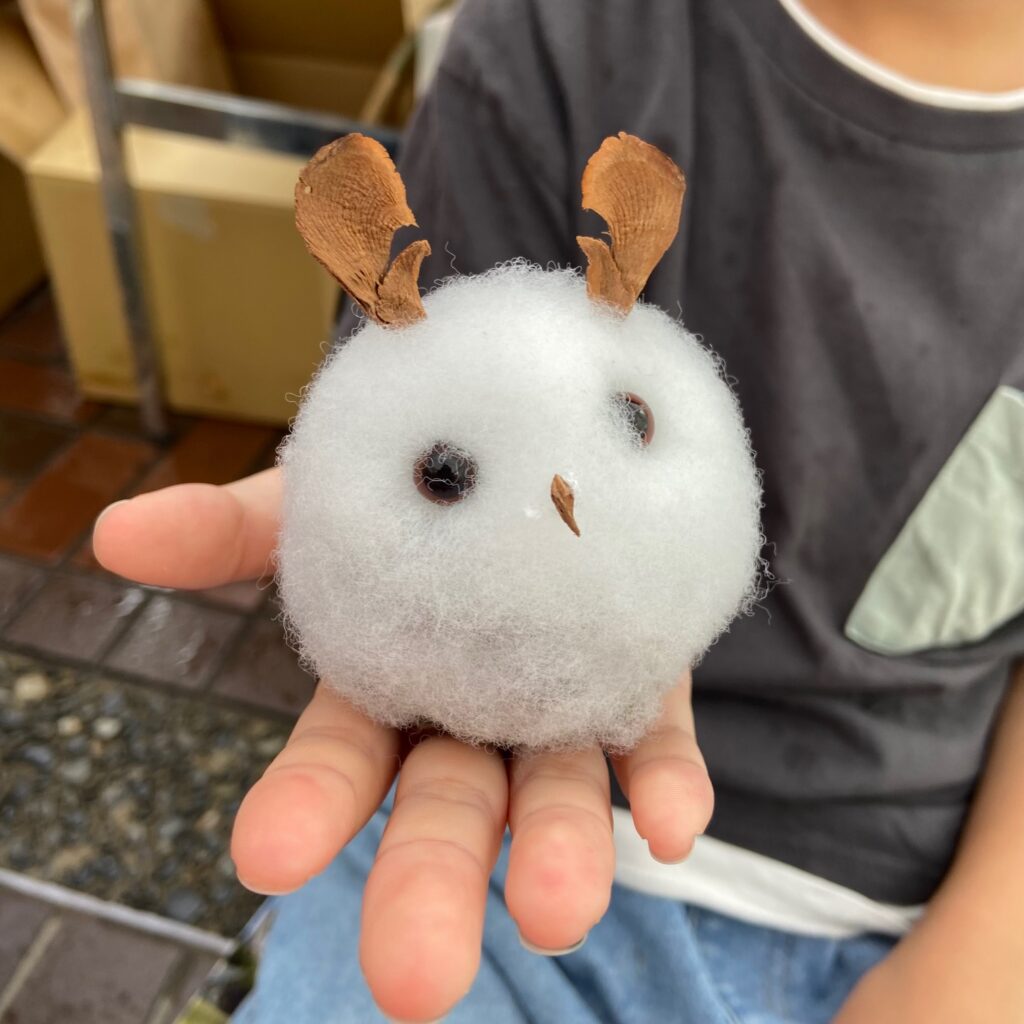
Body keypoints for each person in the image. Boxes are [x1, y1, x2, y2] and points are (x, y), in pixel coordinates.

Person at [93, 0, 1024, 1021]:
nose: (559, 500)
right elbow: (414, 390)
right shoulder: (560, 36)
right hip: (467, 818)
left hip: (912, 901)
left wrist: (972, 967)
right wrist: (349, 523)